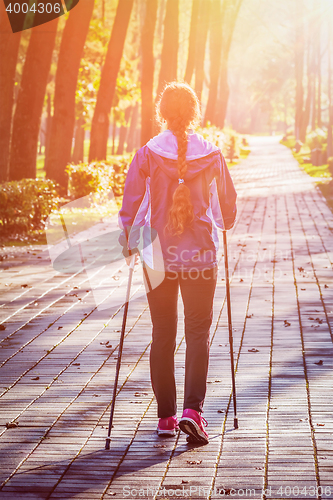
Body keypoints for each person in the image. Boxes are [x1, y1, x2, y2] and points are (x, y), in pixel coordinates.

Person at [118, 82, 237, 445]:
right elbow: (225, 214)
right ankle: (193, 411)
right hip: (200, 255)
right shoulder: (212, 155)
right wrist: (219, 218)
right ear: (194, 112)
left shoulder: (147, 154)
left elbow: (133, 207)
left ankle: (166, 418)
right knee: (197, 332)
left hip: (157, 256)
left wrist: (128, 241)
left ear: (162, 113)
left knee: (162, 333)